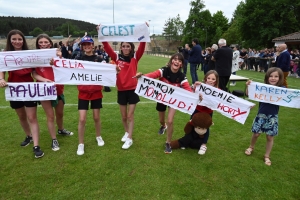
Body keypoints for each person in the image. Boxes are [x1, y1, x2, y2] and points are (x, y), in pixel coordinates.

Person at [99, 24, 146, 150]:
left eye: (128, 46)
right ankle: (126, 132)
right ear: (121, 47)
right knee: (124, 117)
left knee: (130, 116)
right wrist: (101, 33)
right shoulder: (116, 57)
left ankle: (129, 139)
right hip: (121, 90)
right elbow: (106, 47)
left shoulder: (135, 57)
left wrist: (144, 30)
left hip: (133, 90)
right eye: (123, 46)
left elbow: (142, 45)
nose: (125, 48)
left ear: (131, 48)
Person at [135, 53, 193, 154]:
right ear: (171, 61)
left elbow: (188, 89)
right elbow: (154, 75)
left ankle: (168, 142)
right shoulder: (164, 70)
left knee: (170, 121)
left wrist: (196, 96)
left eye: (179, 61)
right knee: (162, 120)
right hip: (161, 99)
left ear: (181, 64)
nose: (176, 62)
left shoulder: (182, 76)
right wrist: (143, 76)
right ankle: (163, 126)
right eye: (175, 59)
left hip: (173, 101)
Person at [0, 30, 43, 158]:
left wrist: (45, 80)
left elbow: (34, 73)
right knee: (21, 116)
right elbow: (1, 70)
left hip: (29, 89)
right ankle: (28, 136)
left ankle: (36, 146)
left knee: (32, 117)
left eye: (20, 39)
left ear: (23, 41)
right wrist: (1, 79)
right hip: (13, 90)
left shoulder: (29, 54)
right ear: (10, 40)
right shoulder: (5, 55)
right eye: (14, 39)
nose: (17, 41)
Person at [32, 34, 74, 152]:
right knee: (50, 116)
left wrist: (60, 58)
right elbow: (34, 74)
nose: (43, 44)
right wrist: (45, 80)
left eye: (46, 42)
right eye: (41, 42)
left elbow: (65, 68)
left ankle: (61, 129)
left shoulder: (57, 54)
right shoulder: (35, 57)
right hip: (44, 89)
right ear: (38, 45)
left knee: (60, 113)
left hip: (58, 88)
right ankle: (54, 139)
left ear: (50, 44)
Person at [74, 36, 114, 155]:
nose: (86, 46)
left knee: (96, 117)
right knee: (82, 119)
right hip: (83, 92)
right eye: (84, 45)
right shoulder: (78, 58)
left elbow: (108, 70)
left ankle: (98, 136)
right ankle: (81, 143)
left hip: (96, 92)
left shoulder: (99, 58)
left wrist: (114, 67)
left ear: (92, 45)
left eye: (88, 44)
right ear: (82, 46)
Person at [244, 67, 284, 166]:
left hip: (273, 116)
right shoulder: (262, 87)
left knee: (270, 137)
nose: (273, 78)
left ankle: (267, 156)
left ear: (280, 78)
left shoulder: (282, 89)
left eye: (276, 76)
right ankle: (251, 147)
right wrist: (249, 86)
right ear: (267, 77)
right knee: (256, 134)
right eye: (271, 76)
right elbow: (249, 94)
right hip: (261, 114)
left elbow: (288, 97)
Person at [192, 70, 219, 155]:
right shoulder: (200, 86)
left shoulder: (218, 91)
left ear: (216, 81)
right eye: (209, 78)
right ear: (205, 79)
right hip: (197, 110)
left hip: (208, 112)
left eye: (213, 79)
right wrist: (194, 86)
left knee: (205, 127)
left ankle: (204, 144)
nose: (210, 80)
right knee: (192, 124)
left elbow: (226, 100)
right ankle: (189, 140)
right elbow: (190, 92)